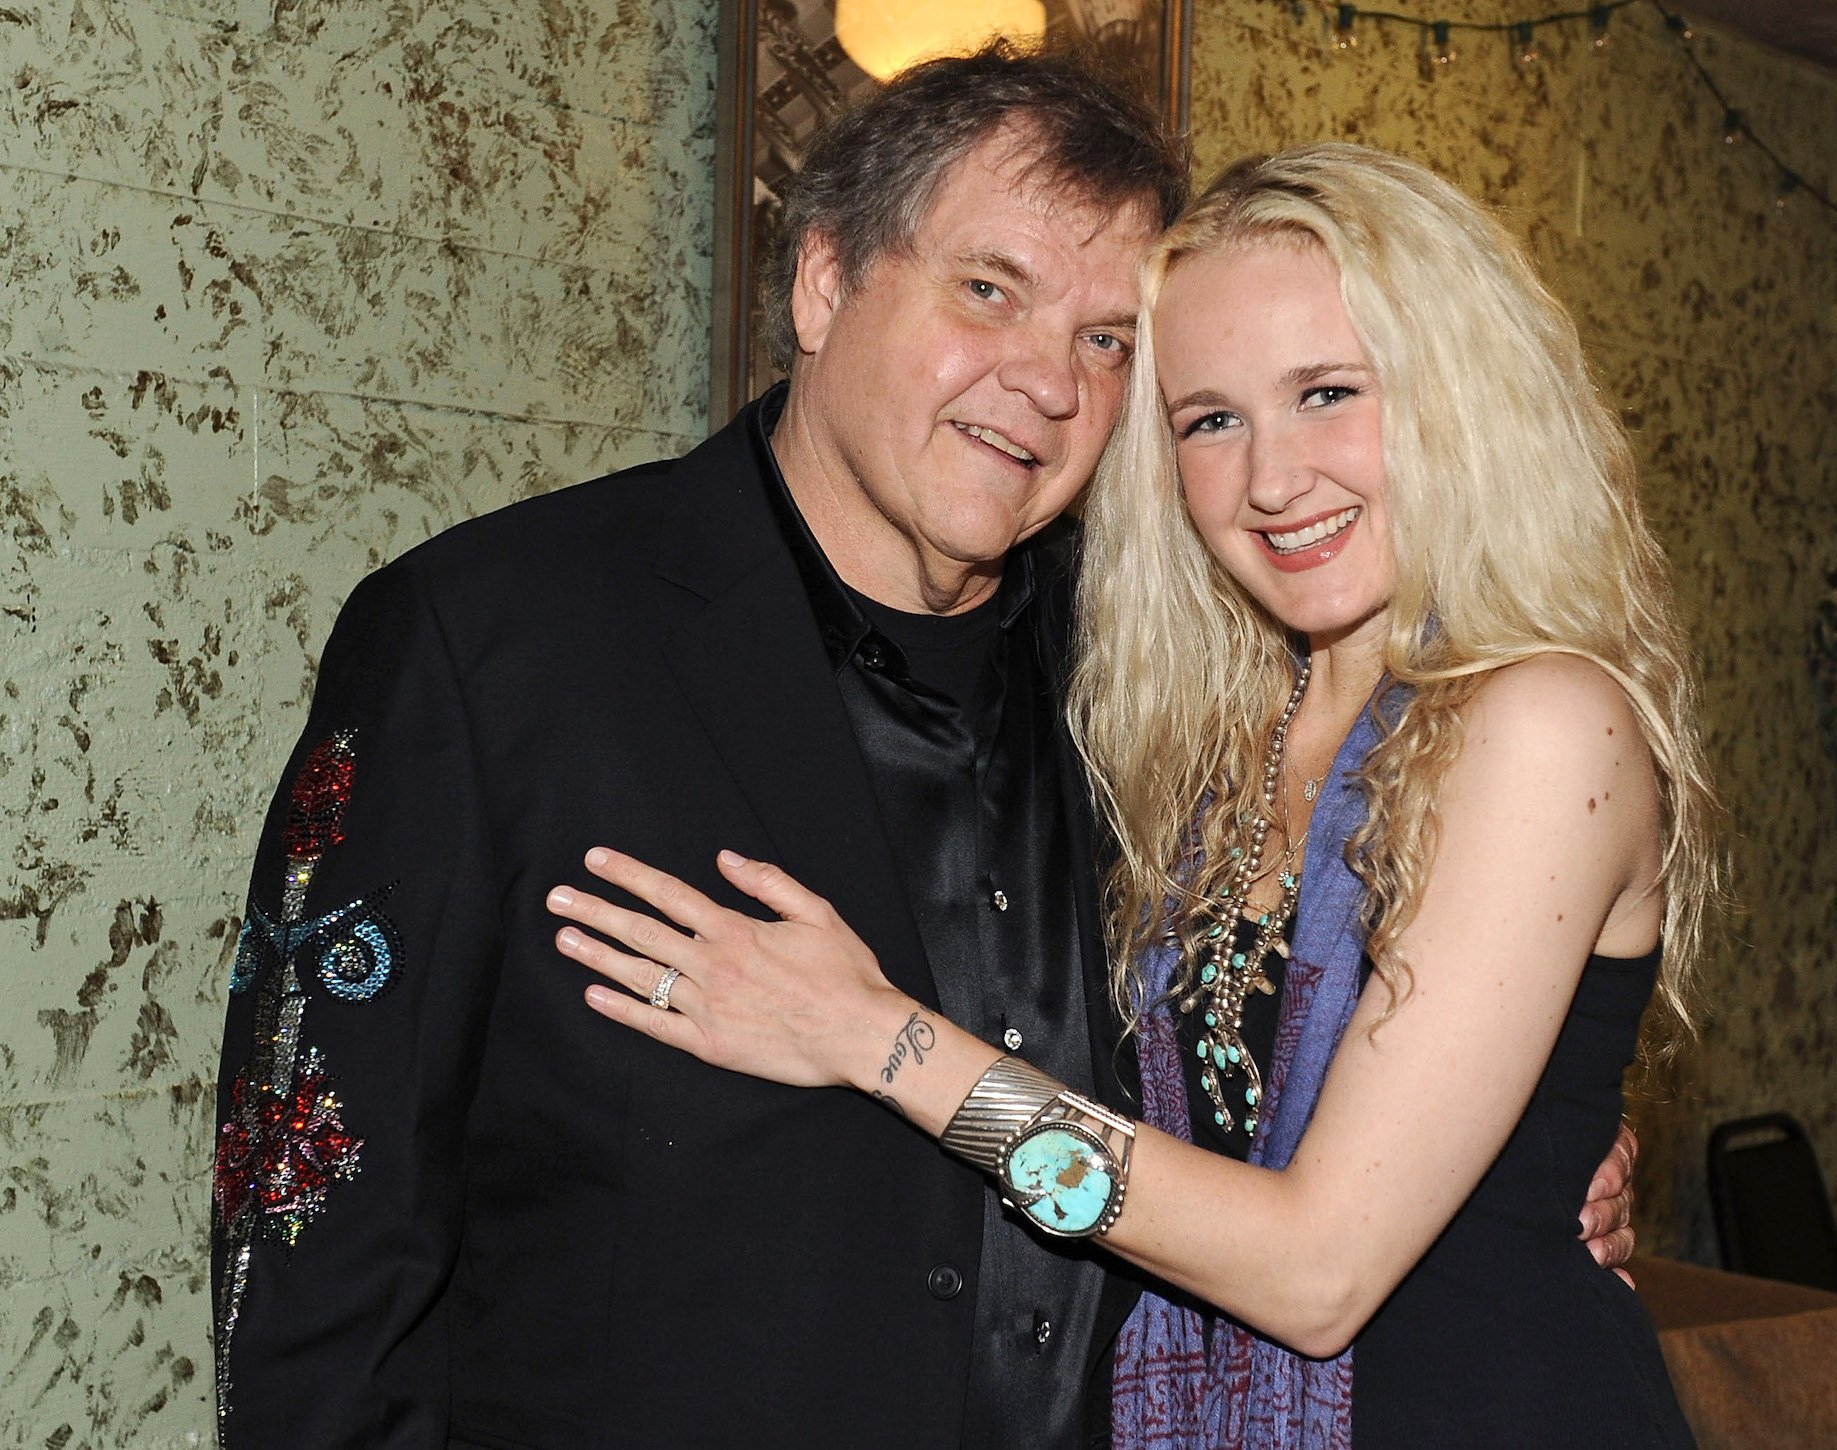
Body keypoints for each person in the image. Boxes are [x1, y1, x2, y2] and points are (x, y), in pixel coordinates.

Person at [211, 44, 1634, 1446]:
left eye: (1106, 343)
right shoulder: (490, 642)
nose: (1047, 381)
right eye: (989, 290)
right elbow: (311, 1230)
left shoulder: (1161, 678)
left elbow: (1305, 1113)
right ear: (825, 281)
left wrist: (1525, 1153)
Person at [546, 143, 1716, 1447]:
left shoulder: (1541, 721)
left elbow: (1317, 1273)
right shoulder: (1204, 744)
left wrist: (878, 1037)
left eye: (1329, 392)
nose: (1271, 479)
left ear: (1459, 392)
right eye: (1210, 419)